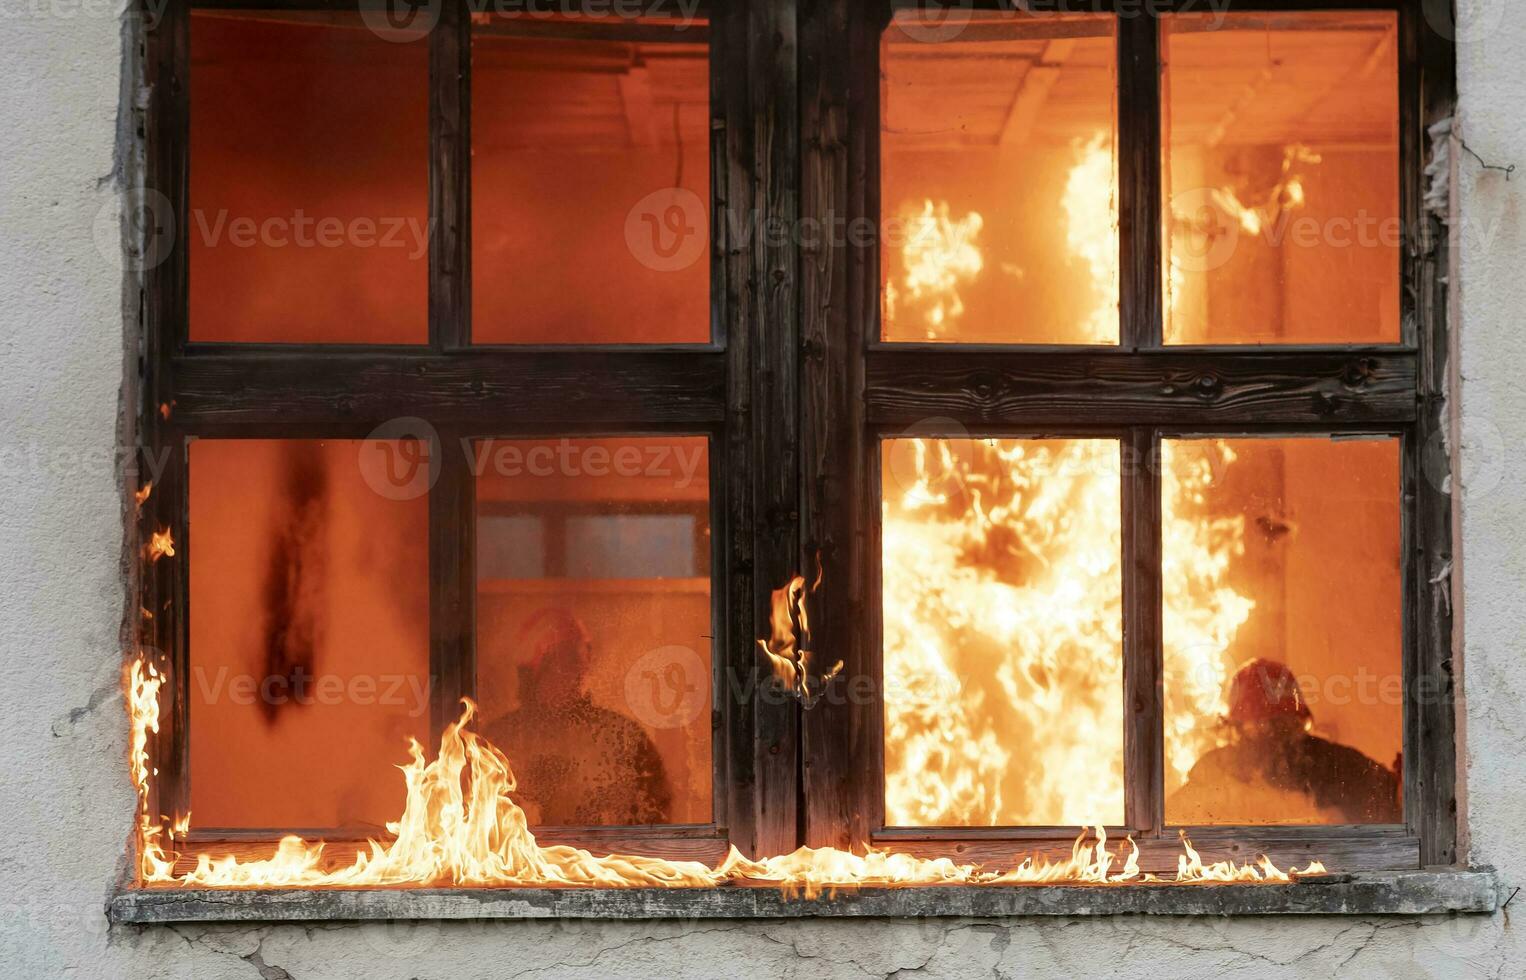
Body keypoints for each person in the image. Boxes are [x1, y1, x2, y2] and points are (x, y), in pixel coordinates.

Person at [482, 608, 673, 826]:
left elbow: (656, 820)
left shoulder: (623, 737)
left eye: (583, 654)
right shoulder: (498, 742)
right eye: (566, 657)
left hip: (603, 860)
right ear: (537, 666)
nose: (579, 669)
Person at [1169, 658, 1401, 824]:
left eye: (1281, 723)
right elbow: (1171, 824)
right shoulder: (1216, 771)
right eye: (1264, 724)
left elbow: (1396, 806)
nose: (1272, 733)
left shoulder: (1340, 766)